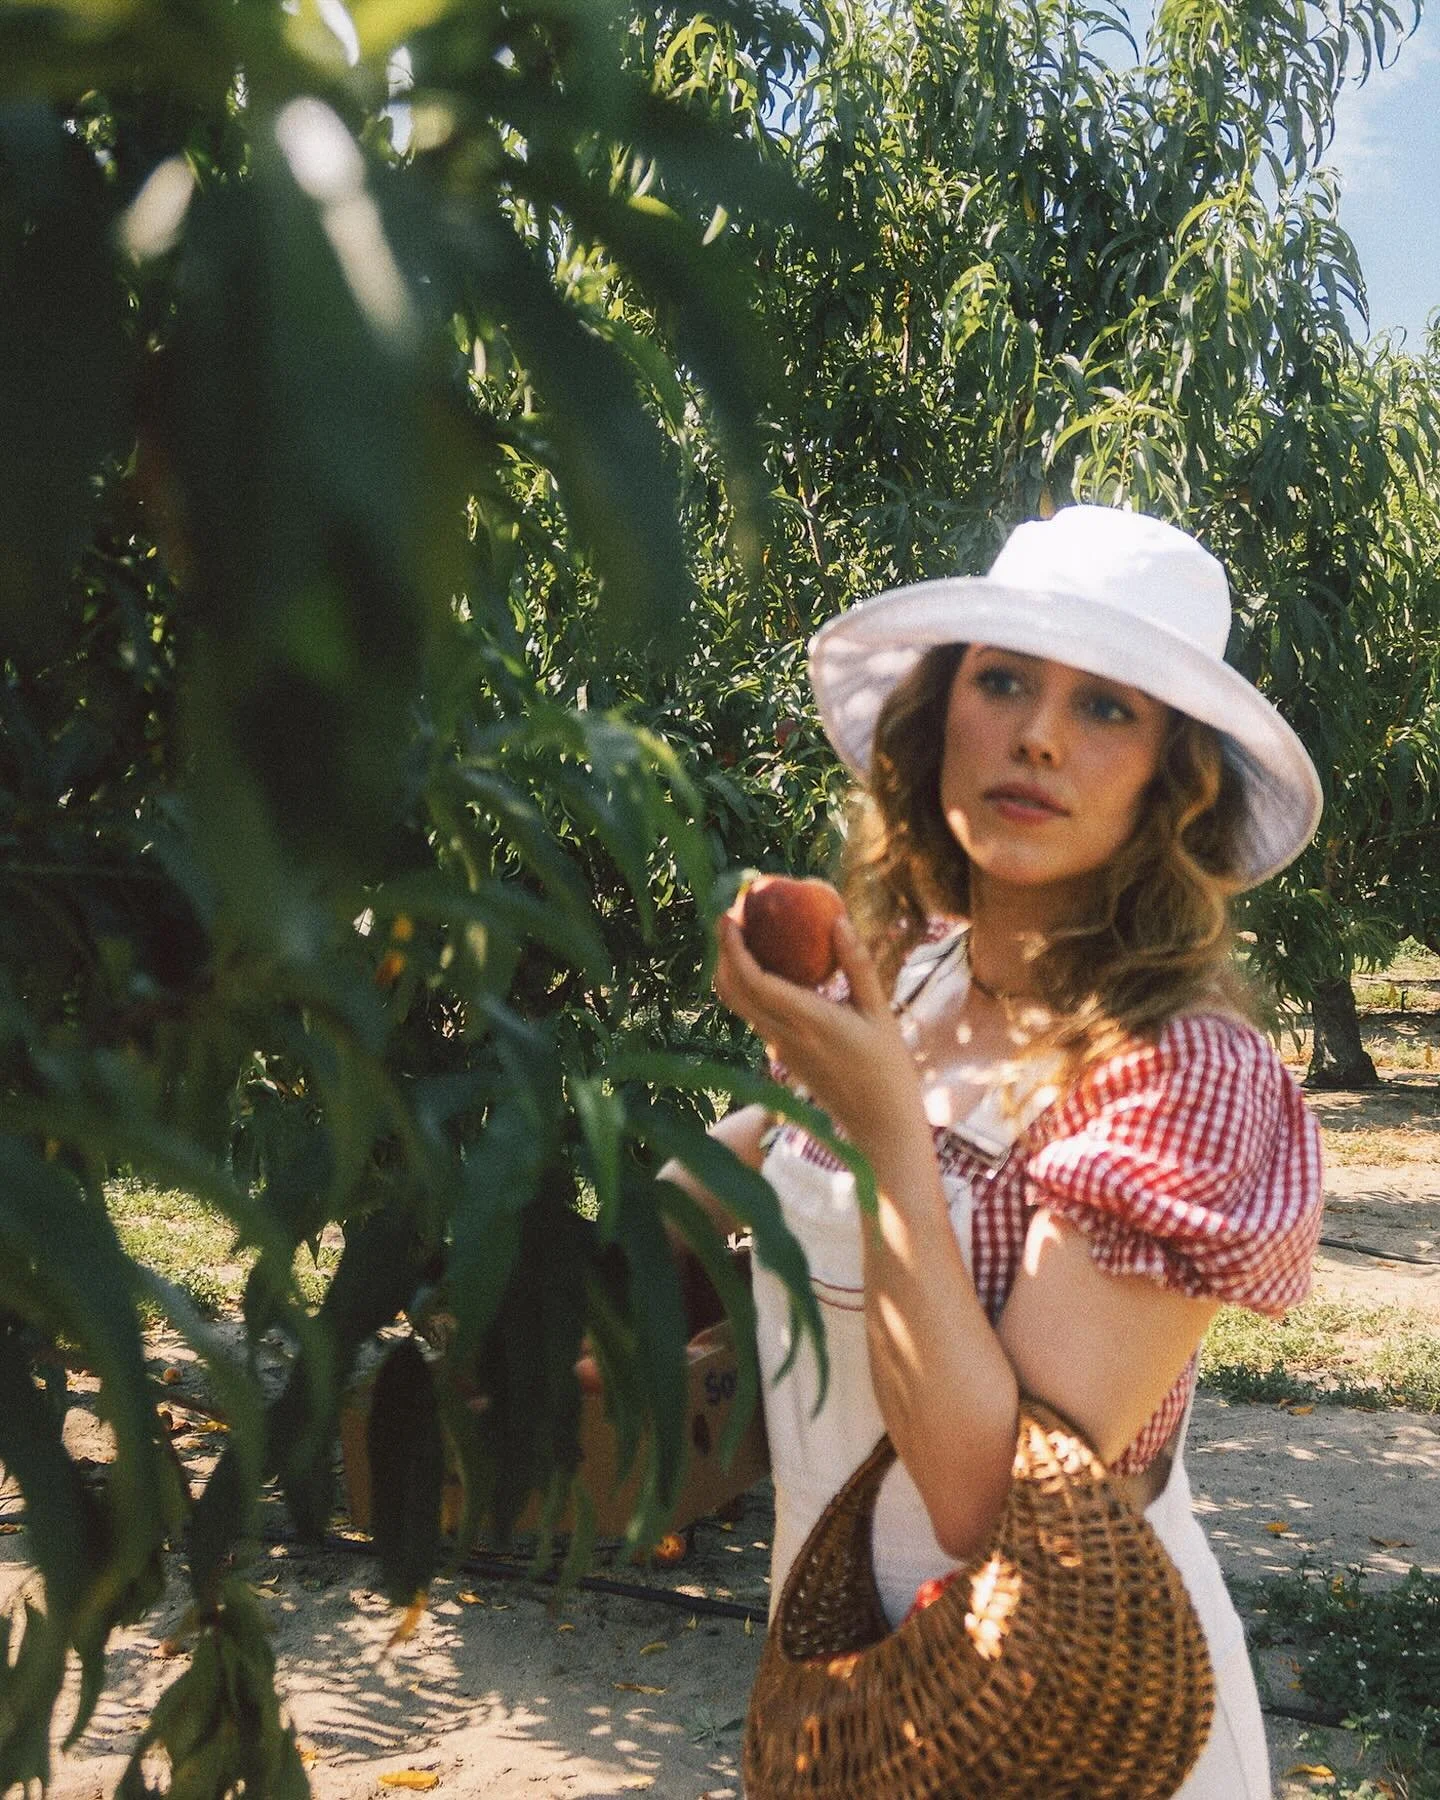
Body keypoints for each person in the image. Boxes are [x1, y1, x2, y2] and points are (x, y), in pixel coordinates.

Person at [662, 505, 1326, 1799]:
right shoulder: (906, 977)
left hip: (1064, 1707)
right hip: (850, 1681)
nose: (1037, 734)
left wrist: (882, 1124)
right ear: (939, 717)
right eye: (1006, 680)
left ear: (1170, 778)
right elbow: (743, 1165)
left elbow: (986, 1502)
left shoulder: (1179, 1074)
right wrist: (625, 1279)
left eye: (1109, 710)